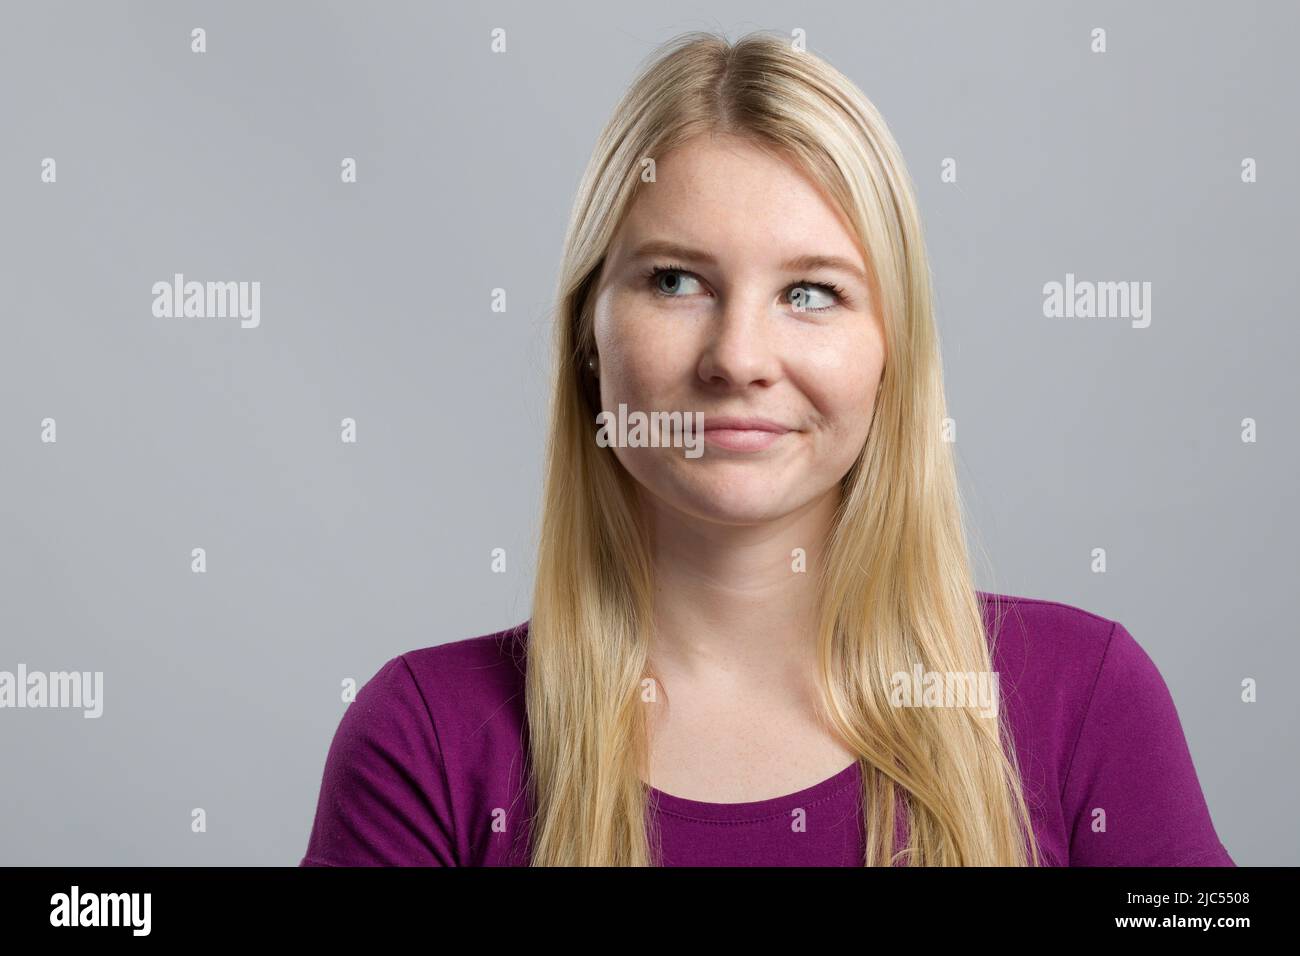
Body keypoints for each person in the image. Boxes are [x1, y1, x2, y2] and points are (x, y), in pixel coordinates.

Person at [300, 30, 1233, 867]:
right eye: (674, 280)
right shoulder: (425, 739)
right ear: (590, 339)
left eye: (811, 293)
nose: (739, 358)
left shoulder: (1085, 703)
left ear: (891, 355)